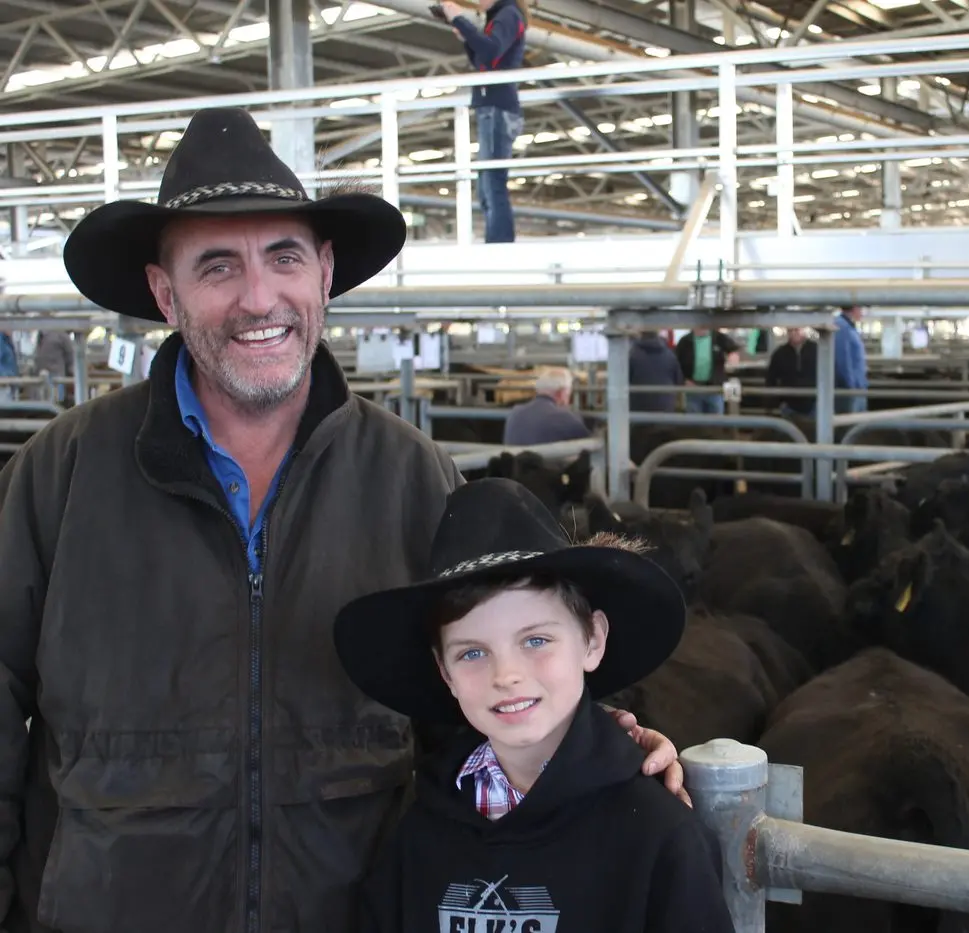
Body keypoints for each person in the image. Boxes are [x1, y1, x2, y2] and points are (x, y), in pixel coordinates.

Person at [0, 106, 684, 932]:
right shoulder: (61, 474)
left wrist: (599, 747)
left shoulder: (410, 477)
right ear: (163, 292)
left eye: (283, 257)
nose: (260, 297)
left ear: (323, 272)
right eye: (216, 266)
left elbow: (484, 699)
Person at [337, 478, 735, 932]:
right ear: (444, 671)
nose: (505, 675)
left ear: (593, 640)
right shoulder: (415, 832)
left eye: (536, 640)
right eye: (472, 652)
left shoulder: (661, 839)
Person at [440, 0, 528, 243]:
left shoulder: (508, 15)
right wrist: (466, 37)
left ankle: (499, 245)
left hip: (497, 106)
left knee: (492, 184)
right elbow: (484, 60)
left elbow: (490, 52)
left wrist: (461, 21)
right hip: (492, 106)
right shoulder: (502, 15)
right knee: (488, 186)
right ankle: (497, 242)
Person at [502, 365, 592, 445]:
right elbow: (587, 442)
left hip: (515, 463)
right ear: (562, 392)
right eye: (568, 394)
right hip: (544, 463)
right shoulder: (564, 416)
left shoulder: (514, 413)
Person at [675, 328, 738, 415]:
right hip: (693, 390)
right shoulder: (685, 341)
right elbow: (676, 365)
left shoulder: (718, 337)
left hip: (715, 389)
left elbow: (733, 349)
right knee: (694, 422)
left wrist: (732, 356)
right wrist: (684, 380)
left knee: (716, 421)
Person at [764, 327, 817, 416]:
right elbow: (771, 379)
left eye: (796, 329)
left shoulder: (816, 350)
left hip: (813, 403)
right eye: (790, 330)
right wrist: (774, 403)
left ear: (803, 330)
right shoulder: (779, 353)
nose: (794, 333)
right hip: (789, 405)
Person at [628, 330, 684, 412]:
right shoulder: (670, 355)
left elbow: (623, 381)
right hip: (665, 405)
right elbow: (679, 381)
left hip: (638, 406)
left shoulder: (632, 355)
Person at [833, 306, 868, 414]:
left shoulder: (849, 326)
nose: (862, 312)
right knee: (851, 426)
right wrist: (851, 387)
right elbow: (842, 361)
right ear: (854, 309)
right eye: (861, 309)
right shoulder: (841, 326)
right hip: (851, 391)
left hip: (857, 388)